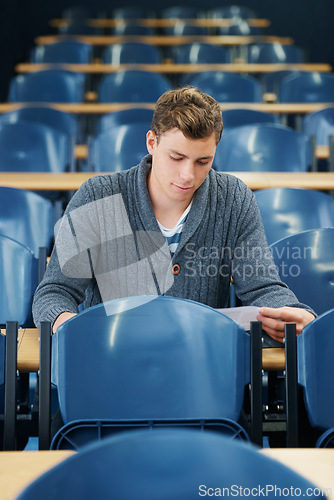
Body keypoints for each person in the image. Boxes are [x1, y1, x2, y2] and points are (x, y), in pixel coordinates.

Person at [32, 86, 315, 340]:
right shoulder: (98, 195)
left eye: (203, 161)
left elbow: (262, 286)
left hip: (197, 363)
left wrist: (293, 314)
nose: (188, 175)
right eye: (176, 158)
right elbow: (55, 292)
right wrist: (67, 323)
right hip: (113, 359)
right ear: (152, 143)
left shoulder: (234, 198)